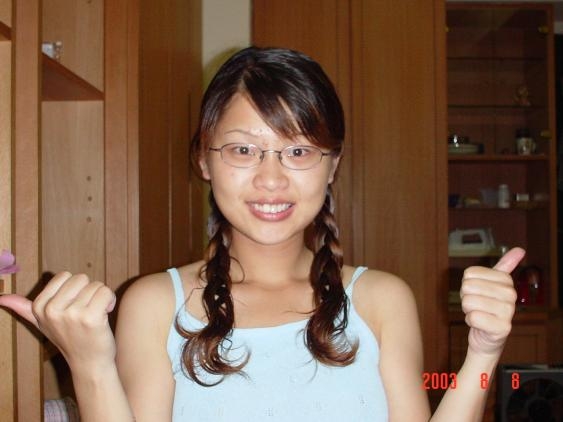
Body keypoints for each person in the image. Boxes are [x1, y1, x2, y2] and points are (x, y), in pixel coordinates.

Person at [0, 47, 524, 421]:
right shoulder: (155, 304)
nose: (271, 180)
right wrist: (89, 364)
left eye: (298, 151)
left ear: (332, 165)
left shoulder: (382, 299)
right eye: (243, 150)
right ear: (204, 160)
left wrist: (483, 355)